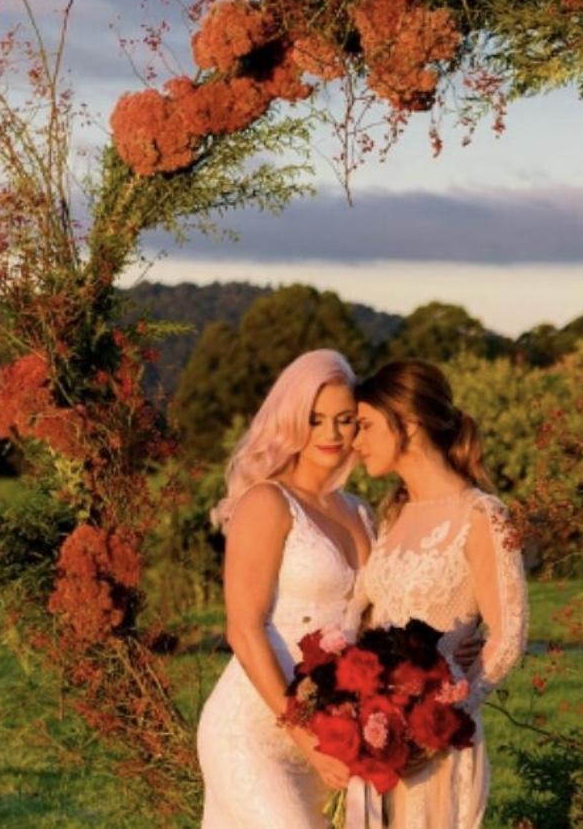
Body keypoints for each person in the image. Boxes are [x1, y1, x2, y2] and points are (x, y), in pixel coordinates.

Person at [195, 349, 374, 828]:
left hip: (333, 737)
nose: (333, 434)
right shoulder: (267, 501)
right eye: (316, 420)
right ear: (294, 421)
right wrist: (306, 738)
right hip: (253, 730)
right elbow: (244, 631)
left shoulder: (360, 513)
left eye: (345, 419)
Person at [348, 359, 529, 829]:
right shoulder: (392, 515)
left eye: (366, 425)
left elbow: (507, 637)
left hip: (435, 745)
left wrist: (440, 724)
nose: (355, 441)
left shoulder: (481, 515)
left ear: (407, 422)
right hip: (374, 737)